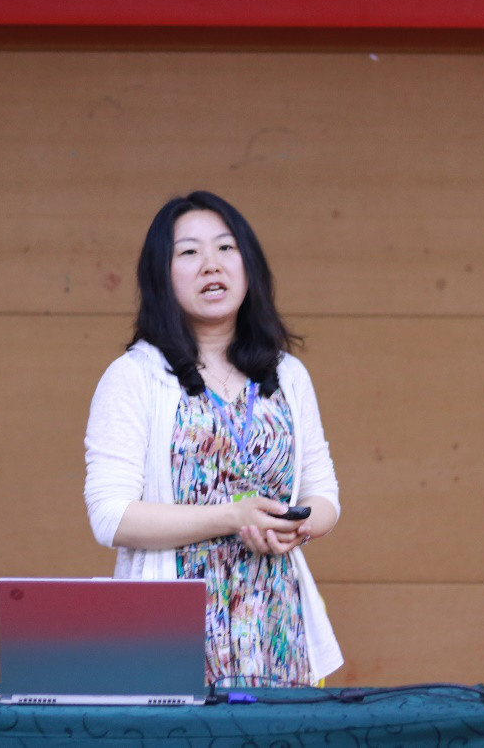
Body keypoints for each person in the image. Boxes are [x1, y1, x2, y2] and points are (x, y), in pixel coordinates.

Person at [84, 191, 342, 686]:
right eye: (188, 252)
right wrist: (232, 517)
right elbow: (110, 516)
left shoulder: (288, 375)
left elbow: (323, 495)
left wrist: (296, 527)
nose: (211, 264)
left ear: (249, 266)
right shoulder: (134, 377)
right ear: (161, 276)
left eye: (226, 248)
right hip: (169, 637)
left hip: (277, 630)